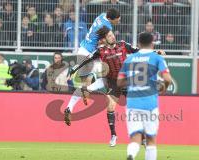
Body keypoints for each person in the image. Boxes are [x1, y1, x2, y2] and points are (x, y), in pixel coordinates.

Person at [65, 26, 139, 147]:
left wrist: (155, 53)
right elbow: (86, 60)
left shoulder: (123, 45)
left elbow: (138, 51)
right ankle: (113, 135)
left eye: (112, 34)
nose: (113, 36)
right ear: (104, 39)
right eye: (109, 35)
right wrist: (74, 69)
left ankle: (143, 135)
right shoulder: (100, 50)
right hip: (110, 81)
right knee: (109, 106)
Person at [117, 32, 172, 160]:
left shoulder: (129, 59)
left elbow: (119, 82)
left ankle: (131, 154)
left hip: (132, 104)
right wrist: (163, 87)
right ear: (152, 43)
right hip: (150, 103)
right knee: (151, 139)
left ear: (139, 44)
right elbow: (168, 79)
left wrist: (133, 80)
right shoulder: (157, 58)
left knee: (135, 137)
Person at [64, 8, 120, 127]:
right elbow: (107, 42)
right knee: (104, 79)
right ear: (111, 19)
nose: (118, 22)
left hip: (82, 49)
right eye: (117, 20)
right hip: (91, 54)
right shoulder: (107, 27)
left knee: (84, 85)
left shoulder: (102, 15)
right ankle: (88, 87)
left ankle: (69, 107)